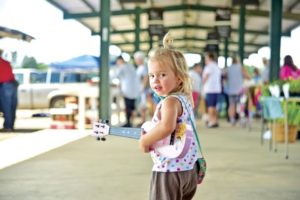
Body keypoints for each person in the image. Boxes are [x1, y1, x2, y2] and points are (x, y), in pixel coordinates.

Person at [139, 32, 199, 200]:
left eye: (162, 75)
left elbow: (167, 127)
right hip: (188, 169)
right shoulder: (184, 99)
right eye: (152, 75)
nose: (156, 80)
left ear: (179, 78)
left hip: (169, 171)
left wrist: (146, 140)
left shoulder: (169, 102)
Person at [224, 56, 250, 125]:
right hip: (239, 90)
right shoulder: (240, 67)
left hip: (231, 90)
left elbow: (225, 78)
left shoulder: (228, 68)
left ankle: (232, 120)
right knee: (241, 104)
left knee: (231, 105)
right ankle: (242, 120)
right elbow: (247, 76)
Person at [115, 55, 139, 127]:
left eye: (118, 61)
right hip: (134, 90)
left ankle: (128, 123)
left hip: (127, 91)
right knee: (132, 107)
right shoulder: (130, 66)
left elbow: (115, 75)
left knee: (128, 107)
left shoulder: (122, 67)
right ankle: (132, 123)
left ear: (120, 61)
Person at [0, 49, 18, 132]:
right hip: (12, 85)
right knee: (12, 107)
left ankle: (8, 126)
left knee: (6, 107)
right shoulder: (6, 62)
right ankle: (10, 125)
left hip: (5, 86)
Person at [202, 52, 222, 128]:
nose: (205, 60)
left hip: (210, 89)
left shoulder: (209, 66)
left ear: (209, 58)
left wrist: (202, 84)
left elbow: (206, 77)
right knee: (214, 106)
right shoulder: (216, 66)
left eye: (206, 58)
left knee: (210, 106)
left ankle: (211, 121)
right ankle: (215, 120)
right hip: (216, 89)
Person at [134, 51, 149, 125]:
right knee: (142, 106)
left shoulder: (144, 67)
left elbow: (146, 77)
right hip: (140, 89)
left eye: (136, 59)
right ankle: (143, 121)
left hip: (143, 90)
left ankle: (144, 121)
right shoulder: (140, 67)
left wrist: (142, 87)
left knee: (144, 106)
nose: (136, 61)